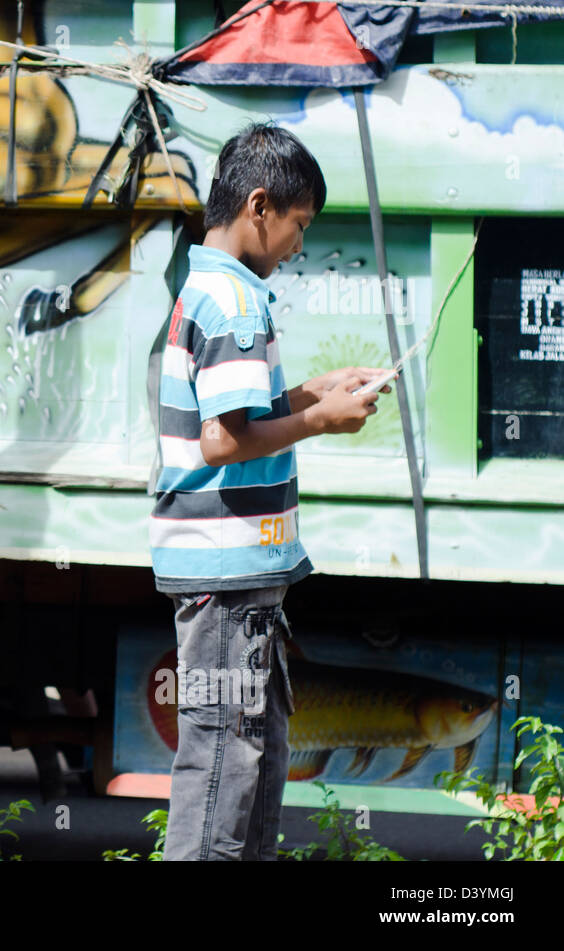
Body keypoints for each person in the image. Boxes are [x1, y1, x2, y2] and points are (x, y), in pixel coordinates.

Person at [150, 122, 392, 861]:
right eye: (299, 225)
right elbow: (223, 442)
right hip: (224, 575)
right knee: (226, 762)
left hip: (235, 574)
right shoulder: (236, 300)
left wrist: (310, 391)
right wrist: (322, 420)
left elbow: (238, 415)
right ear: (260, 205)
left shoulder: (213, 285)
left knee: (249, 759)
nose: (298, 244)